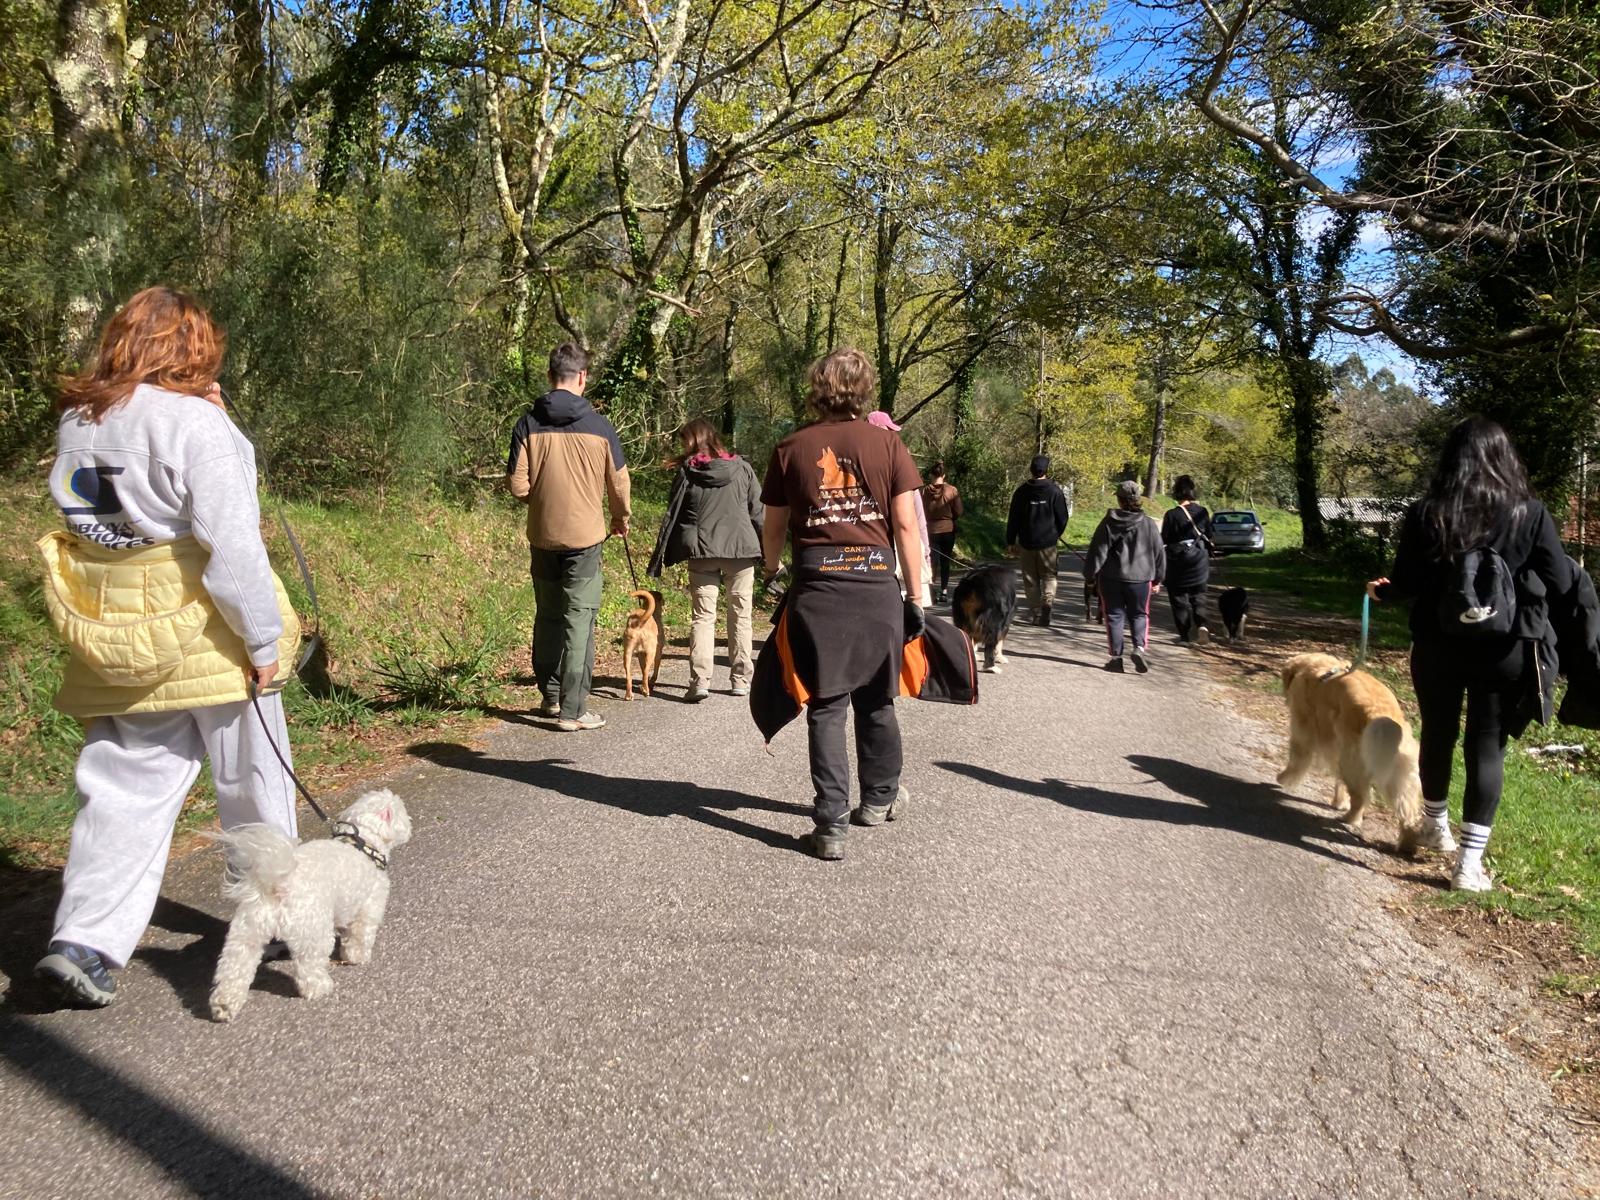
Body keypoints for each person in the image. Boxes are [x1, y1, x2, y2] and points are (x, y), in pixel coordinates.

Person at [33, 286, 303, 1008]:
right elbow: (232, 543)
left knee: (121, 790)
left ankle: (84, 941)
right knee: (254, 781)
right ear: (195, 352)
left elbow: (100, 523)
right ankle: (273, 915)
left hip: (117, 632)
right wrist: (263, 641)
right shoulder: (195, 426)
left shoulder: (77, 423)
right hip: (206, 632)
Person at [1367, 416, 1571, 892]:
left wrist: (1381, 594)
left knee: (1438, 732)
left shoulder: (1426, 512)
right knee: (1486, 745)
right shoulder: (1530, 513)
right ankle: (1468, 864)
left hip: (1438, 644)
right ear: (1506, 458)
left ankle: (1433, 827)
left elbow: (1409, 583)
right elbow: (1561, 581)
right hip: (1505, 647)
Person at [760, 348, 926, 861]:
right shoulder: (888, 445)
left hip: (819, 587)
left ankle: (830, 824)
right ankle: (878, 800)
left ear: (817, 388)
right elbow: (905, 527)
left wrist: (772, 571)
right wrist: (915, 596)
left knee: (827, 705)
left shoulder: (791, 447)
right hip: (876, 586)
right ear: (864, 389)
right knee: (877, 697)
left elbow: (774, 526)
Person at [507, 343, 631, 731]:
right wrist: (619, 517)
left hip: (542, 537)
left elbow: (516, 485)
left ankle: (549, 695)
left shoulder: (527, 423)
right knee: (580, 618)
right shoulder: (600, 427)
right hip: (585, 540)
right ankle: (573, 710)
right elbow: (619, 483)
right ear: (582, 377)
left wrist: (540, 500)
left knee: (547, 614)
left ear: (550, 377)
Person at [646, 418, 762, 701]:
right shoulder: (742, 468)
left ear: (695, 441)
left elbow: (675, 514)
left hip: (702, 551)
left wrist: (673, 548)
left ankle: (700, 682)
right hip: (740, 550)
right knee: (741, 615)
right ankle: (740, 680)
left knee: (703, 617)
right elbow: (758, 511)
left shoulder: (688, 472)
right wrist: (768, 552)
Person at [1084, 480, 1166, 674]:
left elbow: (1097, 551)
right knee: (1139, 614)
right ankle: (1139, 648)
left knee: (1113, 615)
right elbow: (1159, 553)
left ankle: (1116, 657)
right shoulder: (1148, 524)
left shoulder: (1109, 521)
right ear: (1138, 500)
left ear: (1120, 500)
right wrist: (1158, 579)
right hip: (1141, 578)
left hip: (1111, 578)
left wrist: (1090, 575)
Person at [867, 409, 932, 603]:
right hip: (898, 553)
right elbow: (914, 521)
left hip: (869, 560)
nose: (894, 436)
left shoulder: (854, 464)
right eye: (889, 430)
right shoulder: (901, 464)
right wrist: (925, 556)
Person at [1006, 454, 1071, 626]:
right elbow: (1063, 517)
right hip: (1048, 543)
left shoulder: (1021, 492)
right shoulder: (1055, 491)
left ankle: (1036, 612)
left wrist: (1011, 541)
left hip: (1026, 542)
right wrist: (1055, 533)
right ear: (1046, 470)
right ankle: (1047, 603)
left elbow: (1013, 519)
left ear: (1031, 470)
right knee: (1049, 576)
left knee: (1030, 580)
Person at [1161, 474, 1214, 645]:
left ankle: (1184, 636)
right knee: (1198, 595)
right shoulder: (1203, 512)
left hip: (1177, 561)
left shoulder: (1171, 515)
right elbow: (1210, 535)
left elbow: (1165, 539)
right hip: (1199, 559)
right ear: (1192, 491)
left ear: (1176, 492)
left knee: (1179, 598)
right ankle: (1202, 626)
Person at [922, 462, 963, 603]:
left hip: (930, 530)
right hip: (947, 530)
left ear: (931, 475)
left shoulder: (925, 491)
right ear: (943, 475)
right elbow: (959, 511)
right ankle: (944, 591)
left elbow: (919, 511)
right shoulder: (952, 490)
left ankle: (930, 589)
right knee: (945, 561)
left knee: (931, 561)